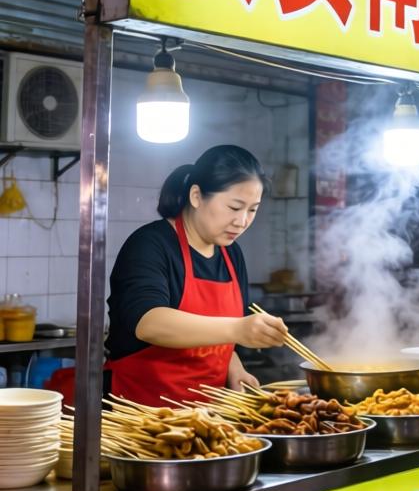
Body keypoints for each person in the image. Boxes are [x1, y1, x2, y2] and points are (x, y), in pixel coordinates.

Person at [48, 146, 289, 407]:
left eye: (252, 210)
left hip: (209, 419)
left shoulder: (232, 255)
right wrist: (239, 329)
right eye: (234, 207)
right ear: (196, 196)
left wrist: (235, 367)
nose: (242, 221)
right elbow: (148, 322)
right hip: (142, 416)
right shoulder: (151, 244)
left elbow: (217, 335)